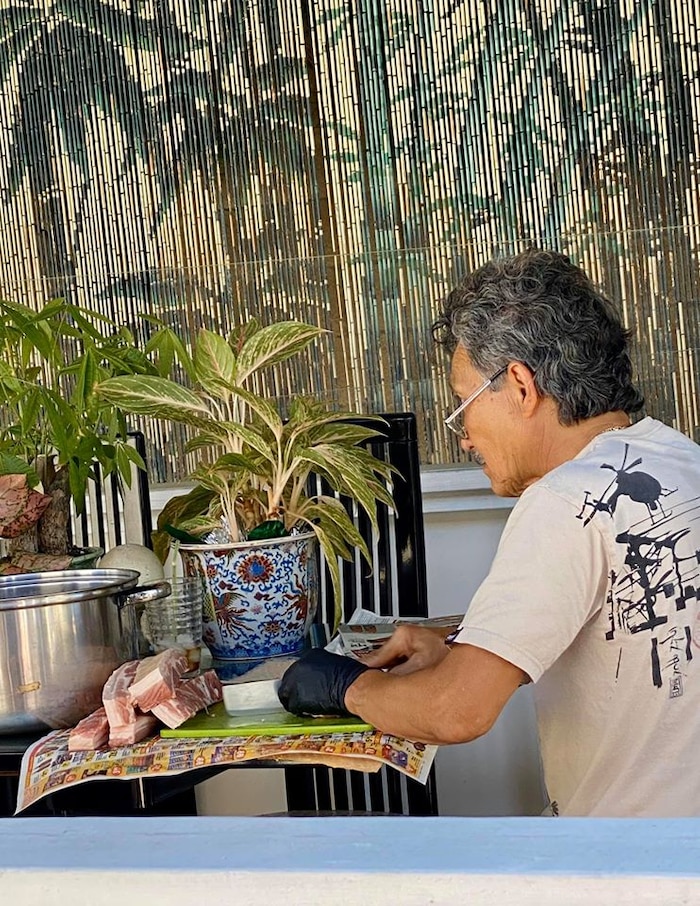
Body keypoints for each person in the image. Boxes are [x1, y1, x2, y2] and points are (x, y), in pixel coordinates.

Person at [278, 248, 700, 817]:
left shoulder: (562, 502)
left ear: (521, 386)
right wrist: (460, 651)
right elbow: (633, 627)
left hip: (623, 855)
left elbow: (457, 711)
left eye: (463, 405)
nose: (464, 437)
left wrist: (345, 686)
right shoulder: (682, 459)